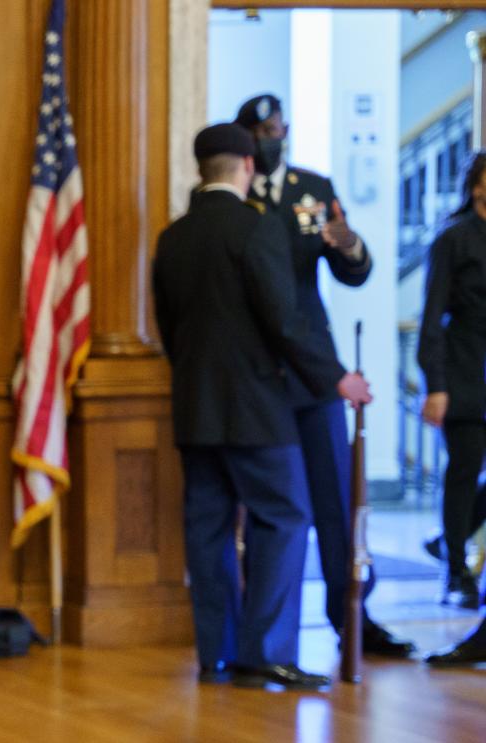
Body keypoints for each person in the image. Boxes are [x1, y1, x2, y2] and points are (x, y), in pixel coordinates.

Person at [153, 123, 373, 690]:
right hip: (256, 410)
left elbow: (170, 330)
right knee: (285, 517)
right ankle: (266, 653)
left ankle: (217, 653)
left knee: (208, 528)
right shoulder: (258, 229)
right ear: (248, 167)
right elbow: (284, 320)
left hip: (195, 408)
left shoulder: (172, 237)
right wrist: (335, 379)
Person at [234, 93, 415, 657]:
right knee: (268, 507)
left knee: (335, 499)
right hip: (258, 371)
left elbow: (352, 270)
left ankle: (352, 617)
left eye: (276, 127)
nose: (271, 137)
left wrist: (353, 247)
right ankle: (260, 630)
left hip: (314, 372)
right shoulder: (236, 198)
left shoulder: (312, 188)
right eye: (259, 130)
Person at [417, 151, 486, 610]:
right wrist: (436, 385)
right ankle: (456, 571)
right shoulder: (453, 239)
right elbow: (431, 317)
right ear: (477, 186)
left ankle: (449, 538)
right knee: (463, 470)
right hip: (463, 374)